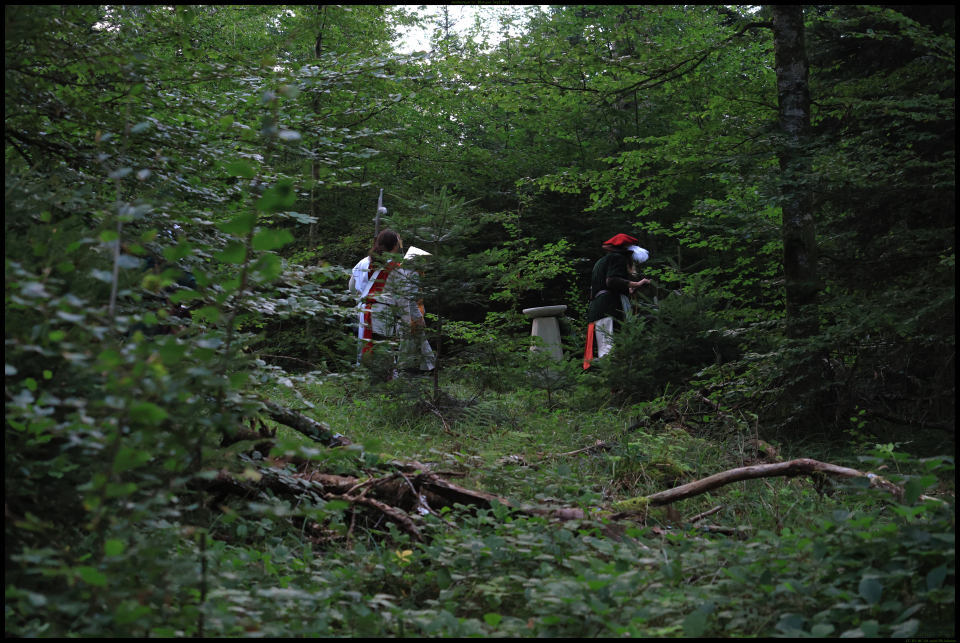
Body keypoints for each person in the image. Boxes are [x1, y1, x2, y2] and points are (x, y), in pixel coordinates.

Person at [355, 230, 426, 378]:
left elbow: (353, 285)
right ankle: (378, 390)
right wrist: (413, 322)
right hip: (382, 315)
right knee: (382, 354)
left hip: (364, 312)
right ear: (395, 246)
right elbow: (404, 299)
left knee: (369, 351)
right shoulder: (397, 268)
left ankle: (366, 386)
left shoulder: (366, 261)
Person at [583, 234, 650, 369]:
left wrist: (631, 289)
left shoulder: (602, 261)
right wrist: (636, 284)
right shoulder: (617, 258)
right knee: (613, 350)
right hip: (610, 308)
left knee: (607, 350)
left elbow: (608, 285)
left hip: (601, 308)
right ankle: (618, 386)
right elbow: (612, 281)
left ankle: (612, 385)